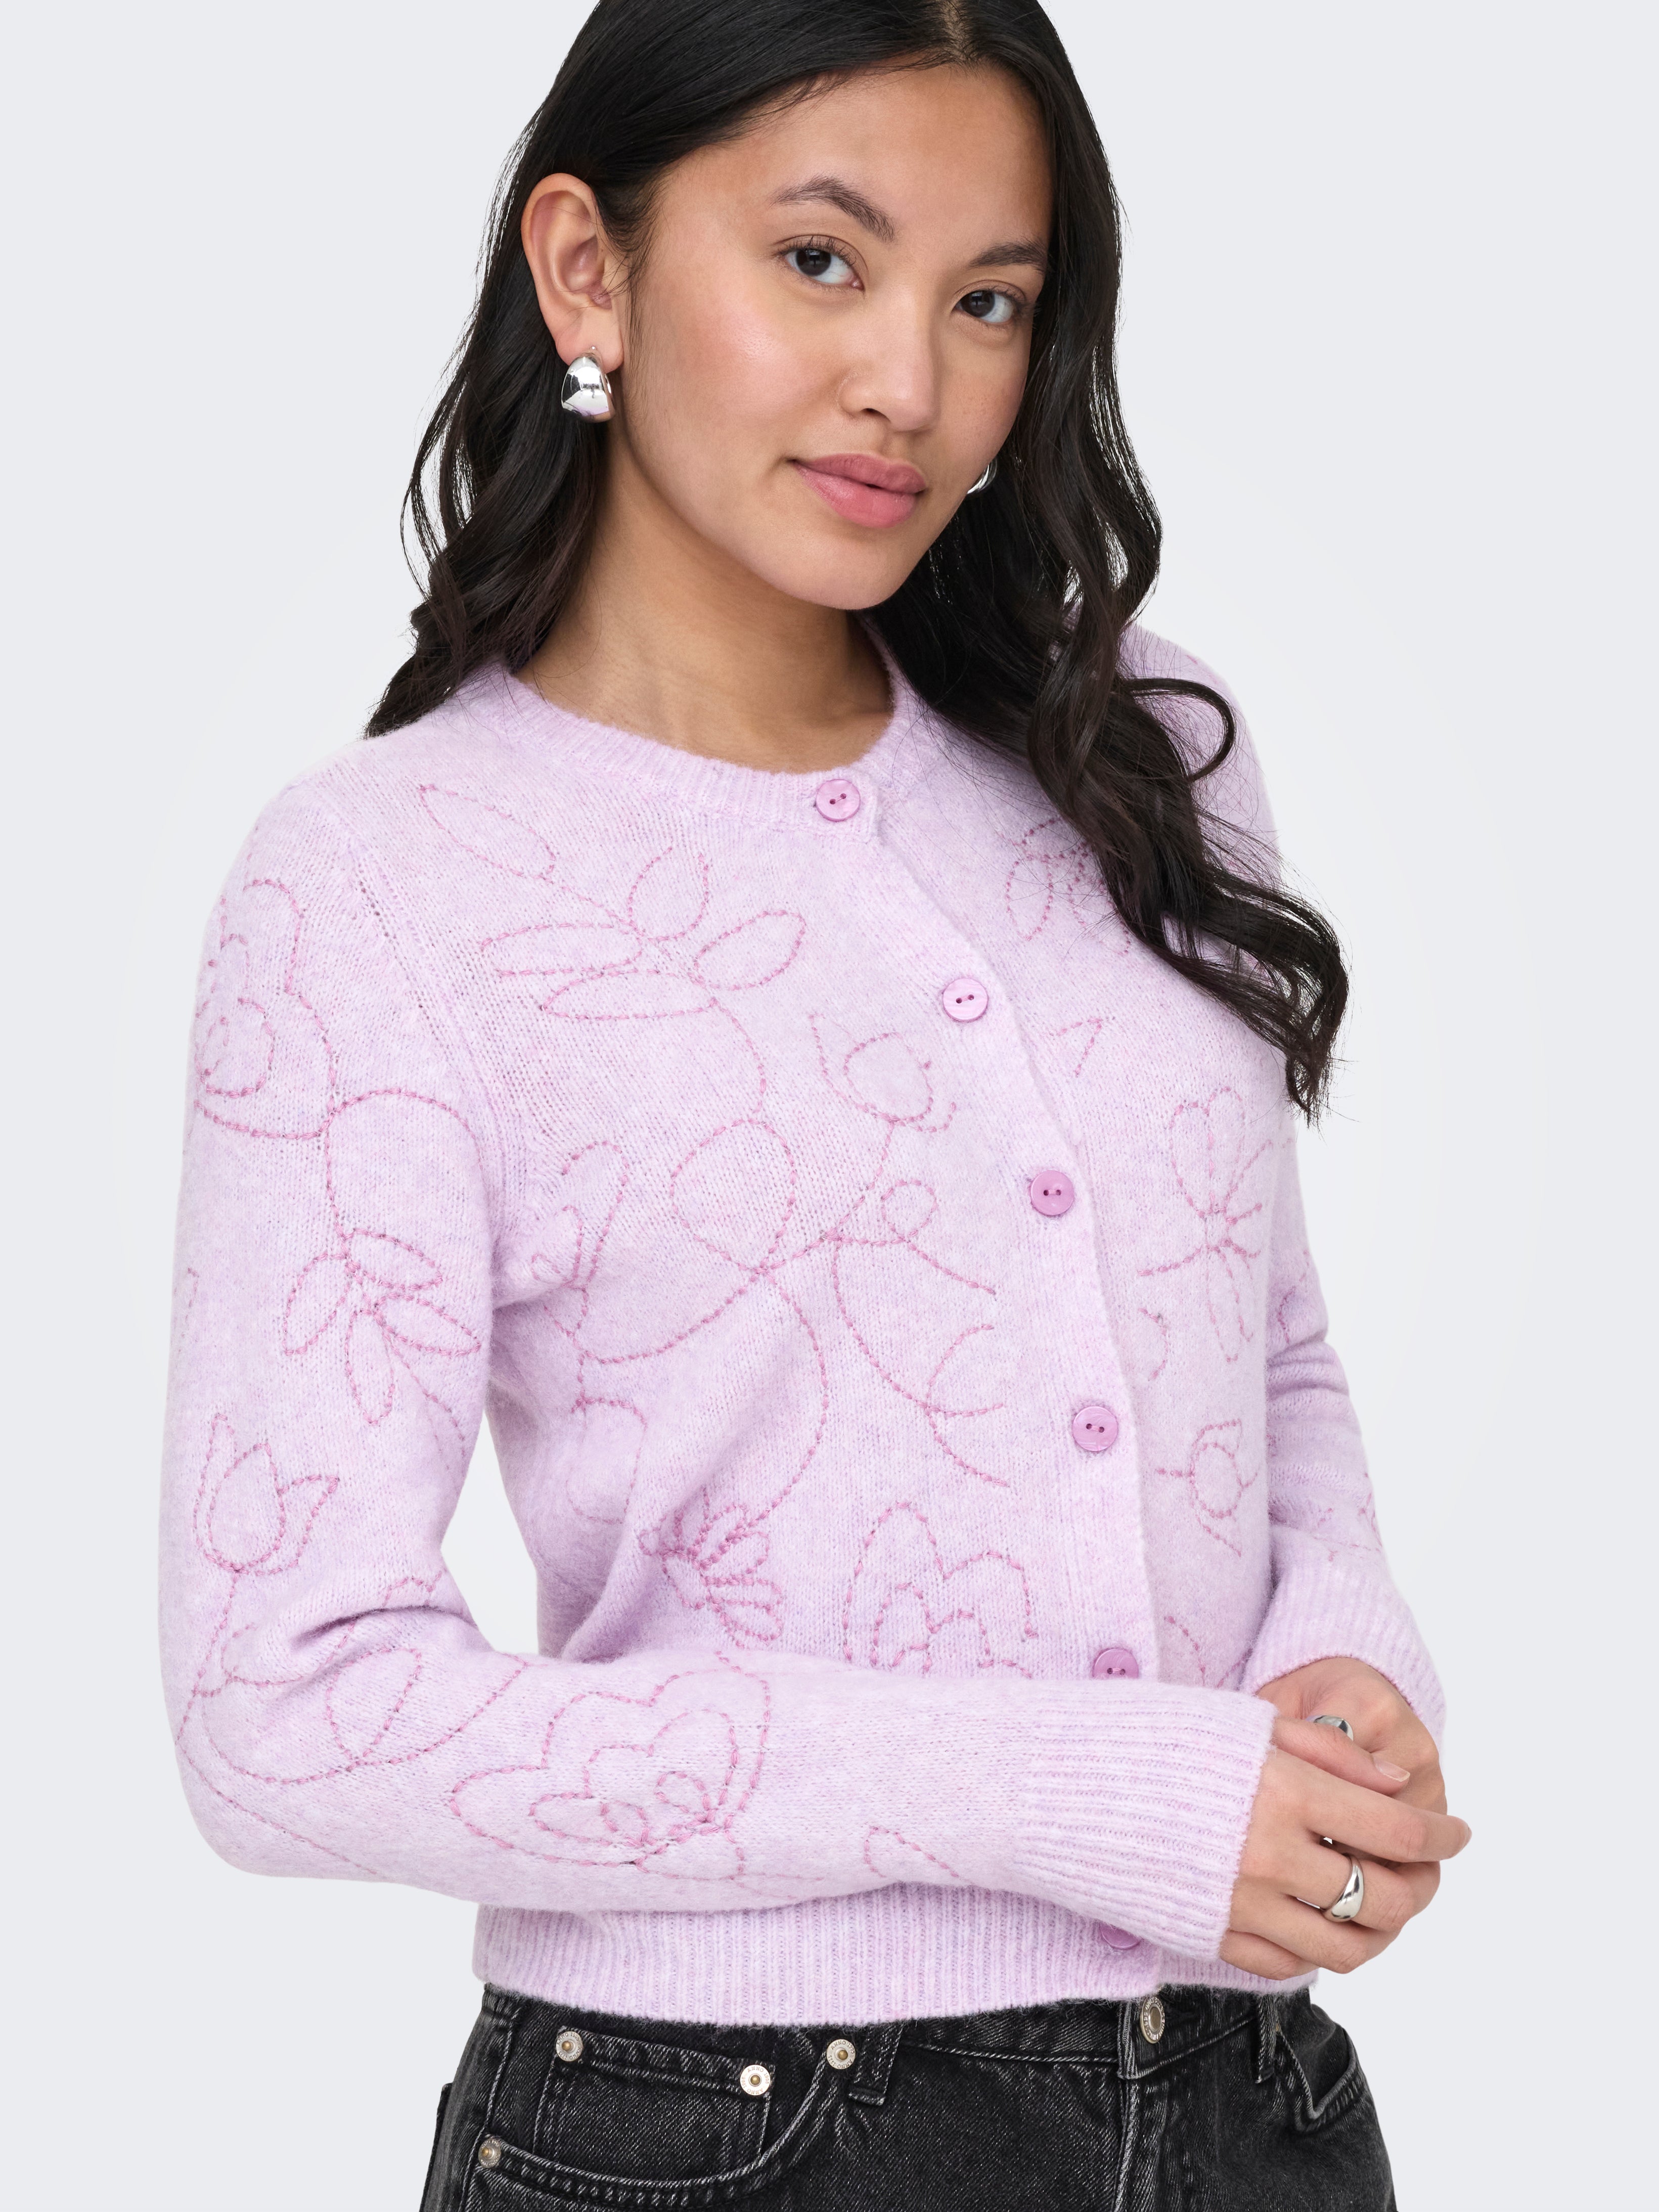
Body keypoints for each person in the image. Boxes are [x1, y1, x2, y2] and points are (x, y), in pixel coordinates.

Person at [158, 3, 1470, 2204]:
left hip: (1259, 2107)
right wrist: (1072, 1791)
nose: (908, 387)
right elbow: (281, 1712)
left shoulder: (1138, 752)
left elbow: (1261, 1355)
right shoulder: (385, 880)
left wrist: (1333, 1649)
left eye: (989, 302)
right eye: (820, 262)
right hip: (726, 2130)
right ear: (585, 268)